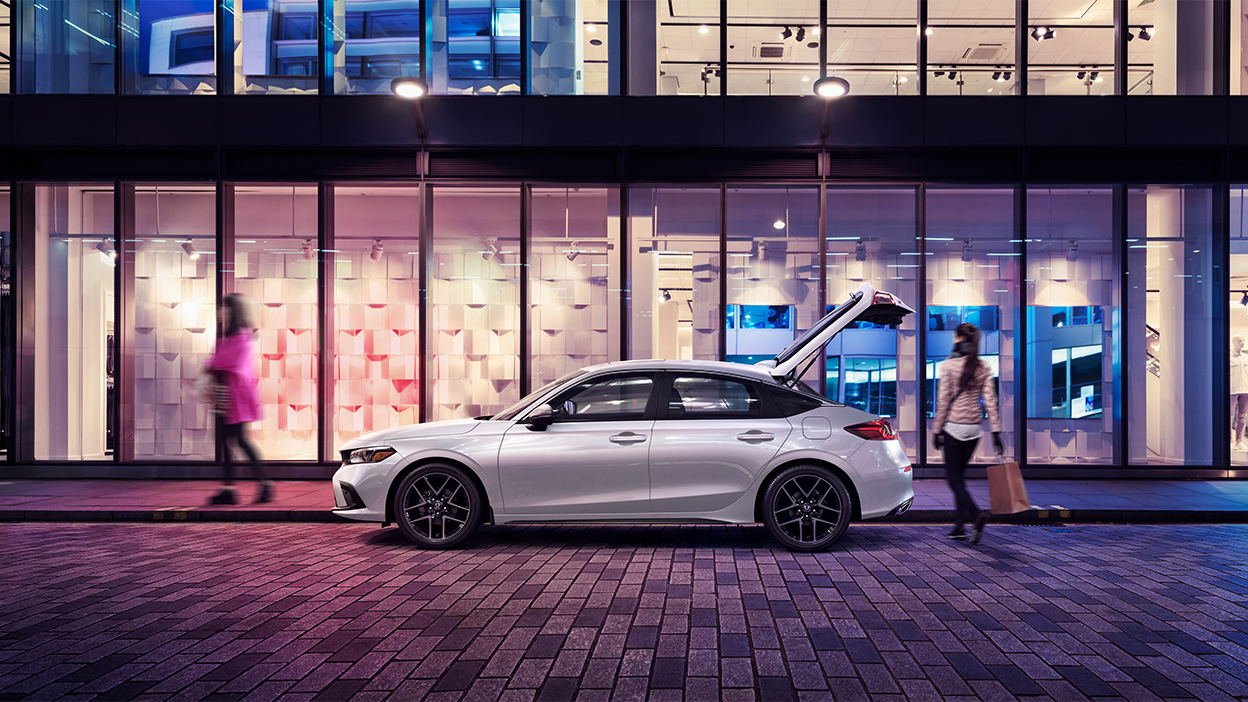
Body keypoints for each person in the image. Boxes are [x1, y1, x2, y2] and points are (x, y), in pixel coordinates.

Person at [932, 322, 1002, 544]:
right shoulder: (983, 366)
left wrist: (936, 430)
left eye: (955, 336)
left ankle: (976, 514)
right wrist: (996, 432)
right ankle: (959, 527)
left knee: (953, 480)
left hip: (953, 428)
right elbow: (990, 401)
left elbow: (943, 402)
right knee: (959, 479)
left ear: (959, 338)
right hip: (974, 430)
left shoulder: (948, 366)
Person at [205, 293, 270, 505]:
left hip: (235, 396)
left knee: (240, 440)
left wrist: (214, 366)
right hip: (225, 394)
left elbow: (224, 362)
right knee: (227, 441)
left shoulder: (241, 336)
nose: (220, 312)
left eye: (223, 308)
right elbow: (218, 362)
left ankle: (264, 484)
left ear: (233, 310)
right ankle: (229, 488)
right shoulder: (231, 336)